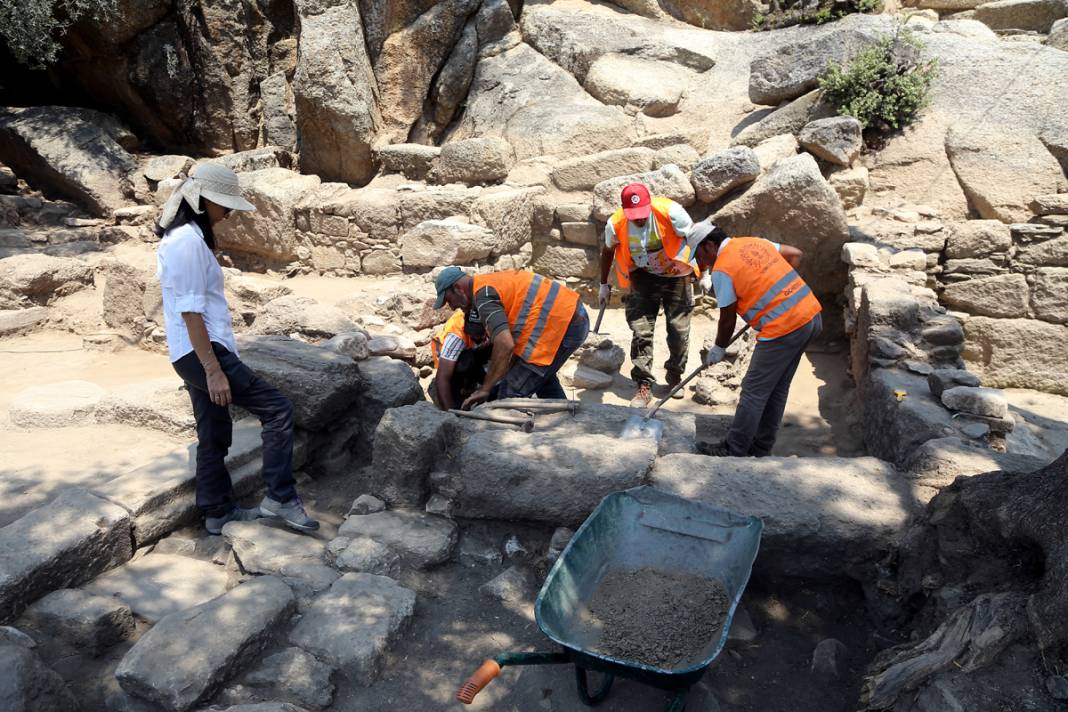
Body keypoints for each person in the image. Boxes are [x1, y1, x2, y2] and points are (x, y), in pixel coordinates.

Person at [155, 163, 318, 534]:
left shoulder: (186, 237)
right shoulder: (185, 242)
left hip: (191, 352)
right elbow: (191, 312)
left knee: (213, 433)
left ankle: (218, 512)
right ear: (203, 200)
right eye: (224, 204)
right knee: (277, 410)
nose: (228, 212)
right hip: (202, 352)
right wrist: (213, 368)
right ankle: (280, 497)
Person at [689, 220, 823, 457]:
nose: (701, 262)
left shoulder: (722, 270)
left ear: (709, 245)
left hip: (784, 327)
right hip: (810, 315)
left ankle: (734, 448)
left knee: (753, 391)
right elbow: (795, 254)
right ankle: (761, 447)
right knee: (777, 388)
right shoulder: (753, 242)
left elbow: (727, 318)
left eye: (699, 255)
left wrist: (719, 348)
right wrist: (782, 289)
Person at [597, 182, 700, 408]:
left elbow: (695, 238)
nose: (639, 219)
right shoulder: (616, 224)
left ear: (649, 205)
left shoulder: (671, 212)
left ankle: (674, 376)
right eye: (634, 216)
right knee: (641, 331)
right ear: (625, 211)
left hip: (677, 274)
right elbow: (608, 250)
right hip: (642, 276)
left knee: (678, 330)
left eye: (643, 214)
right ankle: (643, 384)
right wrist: (603, 284)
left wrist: (706, 271)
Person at [433, 267, 589, 408]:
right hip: (571, 316)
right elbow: (512, 346)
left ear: (458, 289)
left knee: (508, 397)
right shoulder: (488, 283)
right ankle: (564, 418)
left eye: (449, 300)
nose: (452, 307)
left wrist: (485, 389)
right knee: (540, 378)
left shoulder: (483, 296)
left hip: (563, 323)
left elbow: (505, 343)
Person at [429, 308, 490, 411]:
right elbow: (443, 377)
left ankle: (473, 383)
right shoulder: (456, 335)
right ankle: (460, 390)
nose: (475, 336)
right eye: (472, 332)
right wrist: (451, 413)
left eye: (479, 332)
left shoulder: (491, 316)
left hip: (469, 350)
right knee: (465, 362)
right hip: (448, 361)